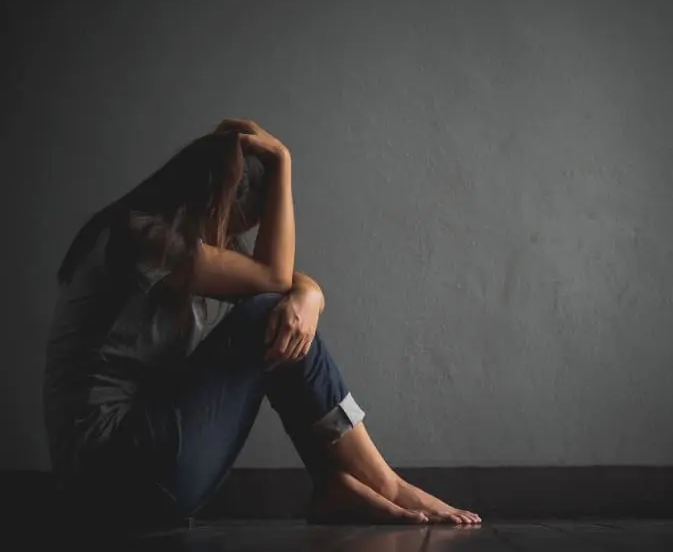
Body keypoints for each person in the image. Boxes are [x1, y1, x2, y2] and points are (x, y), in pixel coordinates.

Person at [43, 118, 481, 538]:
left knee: (278, 311)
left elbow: (281, 282)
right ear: (215, 199)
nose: (232, 237)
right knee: (270, 310)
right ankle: (384, 484)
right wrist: (282, 161)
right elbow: (273, 280)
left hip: (138, 477)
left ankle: (338, 484)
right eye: (238, 221)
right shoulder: (138, 238)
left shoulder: (170, 249)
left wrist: (310, 296)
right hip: (108, 477)